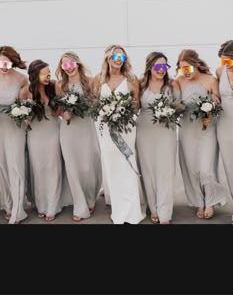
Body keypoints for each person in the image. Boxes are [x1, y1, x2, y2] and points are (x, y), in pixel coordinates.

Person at [92, 45, 146, 224]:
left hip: (125, 128)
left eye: (121, 57)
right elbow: (94, 104)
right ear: (108, 58)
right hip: (105, 129)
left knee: (126, 163)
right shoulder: (98, 80)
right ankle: (116, 205)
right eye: (115, 56)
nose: (118, 59)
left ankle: (131, 211)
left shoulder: (131, 79)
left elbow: (137, 104)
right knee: (112, 165)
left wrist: (127, 107)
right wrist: (106, 112)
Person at [176, 49, 229, 219]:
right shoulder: (178, 81)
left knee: (206, 169)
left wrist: (211, 113)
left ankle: (211, 202)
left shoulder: (211, 80)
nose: (186, 72)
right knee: (192, 169)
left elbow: (217, 103)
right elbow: (176, 105)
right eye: (182, 68)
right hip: (187, 130)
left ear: (196, 65)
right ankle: (199, 201)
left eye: (188, 68)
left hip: (207, 130)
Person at [55, 51, 102, 222]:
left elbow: (96, 102)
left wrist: (84, 106)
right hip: (68, 130)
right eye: (64, 65)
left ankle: (90, 198)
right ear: (62, 68)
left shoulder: (89, 81)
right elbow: (57, 107)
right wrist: (63, 114)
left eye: (71, 64)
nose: (68, 68)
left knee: (88, 165)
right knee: (73, 167)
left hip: (86, 127)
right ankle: (80, 205)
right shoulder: (60, 85)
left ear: (77, 64)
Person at [136, 52, 181, 224]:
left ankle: (164, 211)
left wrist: (170, 111)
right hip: (144, 130)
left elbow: (180, 107)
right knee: (148, 169)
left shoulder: (172, 85)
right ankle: (153, 207)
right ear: (149, 67)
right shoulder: (140, 85)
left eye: (164, 66)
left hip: (166, 132)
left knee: (165, 170)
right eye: (158, 66)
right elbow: (134, 106)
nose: (162, 70)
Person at [19, 59, 63, 222]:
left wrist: (59, 110)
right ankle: (41, 205)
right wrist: (27, 116)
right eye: (43, 73)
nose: (47, 76)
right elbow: (22, 118)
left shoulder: (53, 86)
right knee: (38, 170)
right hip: (35, 134)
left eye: (48, 72)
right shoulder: (25, 91)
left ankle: (52, 206)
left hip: (53, 131)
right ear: (35, 75)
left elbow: (63, 106)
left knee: (53, 167)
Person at [0, 46, 28, 224]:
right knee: (1, 167)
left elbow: (25, 106)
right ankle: (8, 205)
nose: (4, 65)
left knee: (15, 165)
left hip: (14, 126)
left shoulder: (22, 79)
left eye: (7, 61)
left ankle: (18, 209)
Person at [215, 40, 233, 224]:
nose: (225, 65)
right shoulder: (220, 72)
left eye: (228, 61)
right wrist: (213, 98)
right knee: (231, 167)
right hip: (225, 125)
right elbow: (216, 93)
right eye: (223, 61)